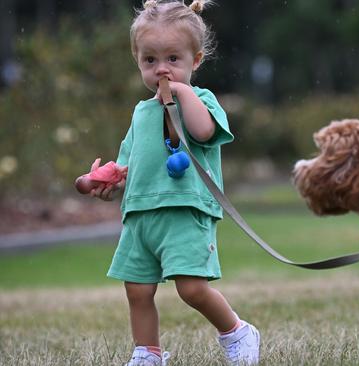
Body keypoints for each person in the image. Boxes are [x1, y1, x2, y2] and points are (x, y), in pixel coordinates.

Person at [85, 0, 260, 365]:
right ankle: (147, 352)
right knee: (137, 289)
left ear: (195, 61)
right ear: (138, 61)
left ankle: (237, 332)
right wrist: (101, 181)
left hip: (185, 209)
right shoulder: (140, 112)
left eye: (173, 60)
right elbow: (128, 164)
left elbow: (203, 131)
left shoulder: (202, 99)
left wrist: (180, 93)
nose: (161, 69)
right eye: (150, 60)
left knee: (192, 288)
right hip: (141, 214)